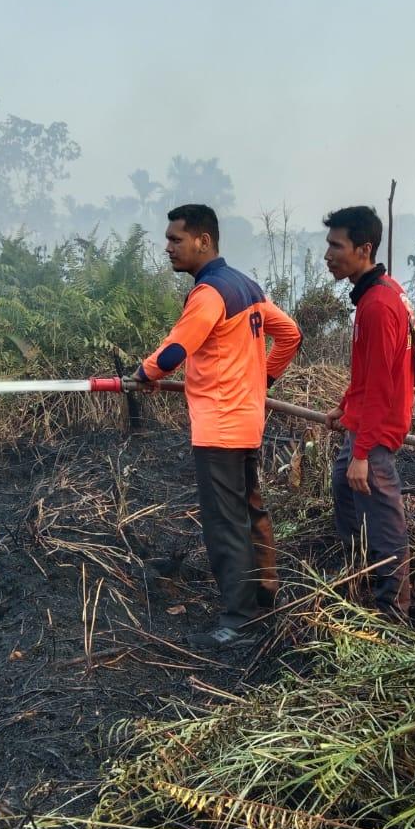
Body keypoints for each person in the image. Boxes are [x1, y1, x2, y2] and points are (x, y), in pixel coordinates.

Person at [134, 204, 301, 650]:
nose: (167, 247)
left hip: (219, 428)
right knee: (251, 513)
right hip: (246, 422)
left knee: (225, 524)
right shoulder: (247, 287)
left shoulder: (208, 294)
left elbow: (172, 355)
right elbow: (291, 335)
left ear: (203, 241)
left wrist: (144, 374)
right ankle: (265, 597)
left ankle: (238, 620)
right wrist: (261, 379)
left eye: (175, 239)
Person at [322, 206, 414, 618]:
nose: (328, 254)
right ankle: (358, 590)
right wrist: (343, 407)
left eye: (336, 246)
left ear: (364, 249)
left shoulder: (378, 305)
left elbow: (382, 385)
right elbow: (369, 371)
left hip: (373, 437)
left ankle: (394, 614)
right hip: (362, 427)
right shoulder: (378, 294)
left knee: (383, 524)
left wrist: (362, 451)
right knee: (344, 496)